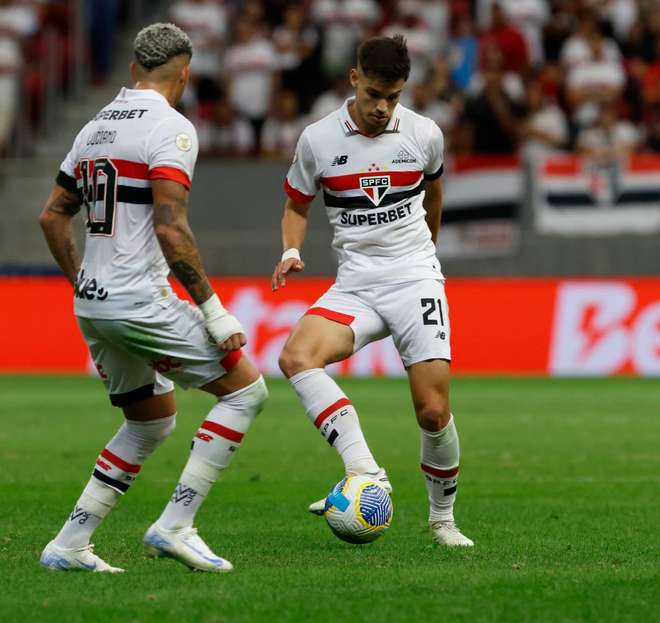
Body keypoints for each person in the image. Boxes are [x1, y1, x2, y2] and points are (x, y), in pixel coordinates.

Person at [38, 23, 266, 574]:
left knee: (150, 420)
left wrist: (83, 282)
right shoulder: (172, 129)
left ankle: (69, 544)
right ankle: (176, 525)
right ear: (184, 73)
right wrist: (214, 310)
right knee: (245, 393)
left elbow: (51, 216)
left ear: (133, 67)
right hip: (140, 299)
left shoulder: (93, 129)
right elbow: (171, 228)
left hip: (93, 301)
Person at [272, 35, 473, 547]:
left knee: (432, 411)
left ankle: (442, 520)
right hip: (355, 284)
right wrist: (291, 250)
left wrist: (428, 252)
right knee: (296, 358)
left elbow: (434, 190)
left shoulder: (425, 134)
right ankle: (365, 471)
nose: (383, 107)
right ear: (354, 80)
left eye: (394, 96)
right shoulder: (317, 140)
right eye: (375, 95)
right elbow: (297, 206)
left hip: (413, 278)